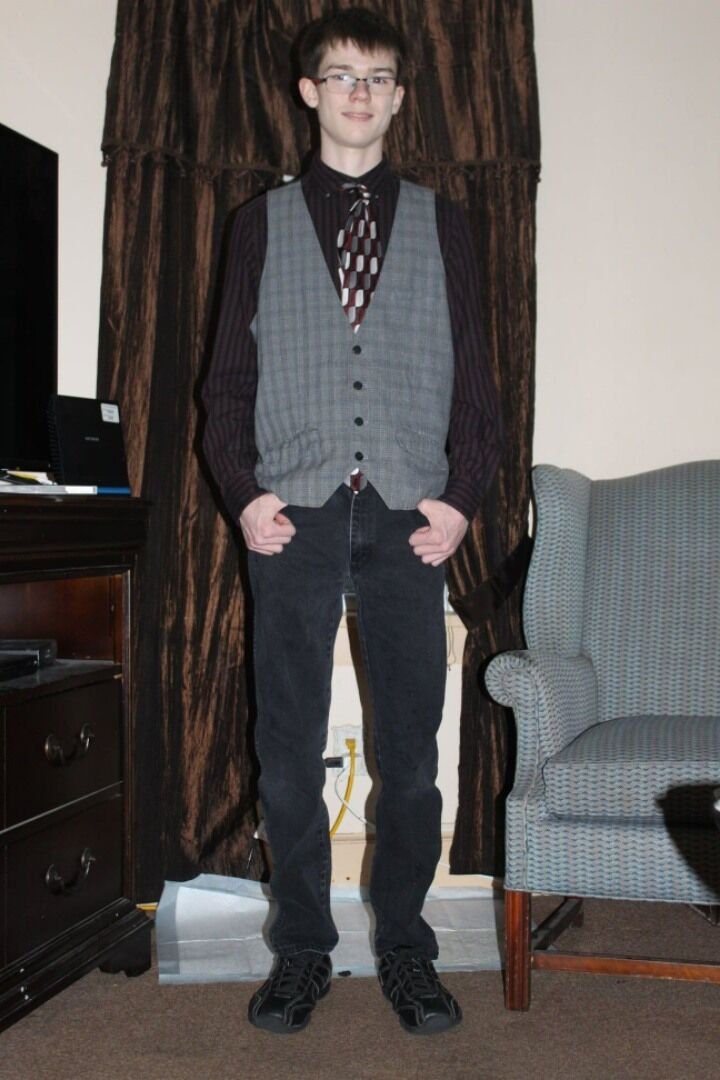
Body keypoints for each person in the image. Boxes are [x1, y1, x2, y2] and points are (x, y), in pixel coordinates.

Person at [202, 6, 502, 1036]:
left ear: (400, 96)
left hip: (412, 516)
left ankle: (408, 952)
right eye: (341, 75)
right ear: (310, 91)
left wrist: (461, 501)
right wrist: (245, 495)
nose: (359, 93)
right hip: (295, 514)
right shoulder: (259, 223)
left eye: (377, 77)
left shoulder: (445, 223)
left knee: (411, 756)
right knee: (286, 749)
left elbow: (478, 382)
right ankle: (301, 953)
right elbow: (224, 385)